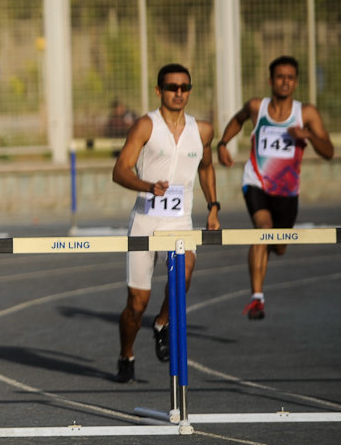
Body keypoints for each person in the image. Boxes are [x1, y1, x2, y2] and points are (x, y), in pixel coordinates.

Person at [112, 63, 220, 383]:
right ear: (159, 91)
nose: (179, 93)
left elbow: (206, 168)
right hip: (146, 220)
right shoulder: (146, 126)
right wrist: (148, 186)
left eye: (184, 88)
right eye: (172, 87)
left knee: (185, 267)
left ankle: (162, 323)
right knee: (136, 305)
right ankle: (126, 353)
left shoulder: (202, 131)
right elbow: (120, 171)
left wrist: (213, 207)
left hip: (179, 222)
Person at [217, 56, 334, 320]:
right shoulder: (258, 106)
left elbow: (329, 152)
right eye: (280, 76)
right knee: (263, 230)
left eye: (290, 77)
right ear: (271, 81)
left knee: (279, 246)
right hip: (256, 181)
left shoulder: (306, 114)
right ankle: (257, 298)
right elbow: (238, 119)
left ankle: (268, 250)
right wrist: (223, 143)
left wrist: (310, 136)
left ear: (296, 82)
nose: (285, 81)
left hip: (287, 191)